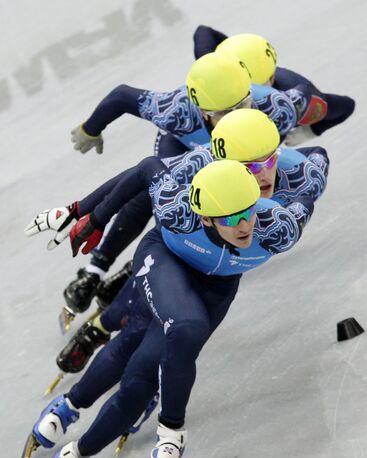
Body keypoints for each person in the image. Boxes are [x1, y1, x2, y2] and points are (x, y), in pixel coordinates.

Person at [25, 156, 317, 458]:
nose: (244, 226)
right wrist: (89, 214)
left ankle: (75, 456)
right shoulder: (177, 209)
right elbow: (147, 166)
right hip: (165, 258)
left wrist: (303, 163)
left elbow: (315, 171)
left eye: (248, 212)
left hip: (214, 288)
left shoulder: (278, 228)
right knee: (163, 327)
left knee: (142, 379)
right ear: (206, 217)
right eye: (230, 218)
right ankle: (167, 428)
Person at [51, 108, 329, 379]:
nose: (263, 174)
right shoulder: (198, 160)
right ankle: (103, 314)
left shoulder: (291, 164)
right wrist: (84, 216)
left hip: (225, 240)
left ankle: (119, 298)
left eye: (269, 162)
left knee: (184, 311)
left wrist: (309, 172)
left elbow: (318, 153)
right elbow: (137, 176)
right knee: (155, 272)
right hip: (194, 216)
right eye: (251, 167)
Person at [61, 50, 310, 323]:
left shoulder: (275, 108)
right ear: (200, 111)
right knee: (155, 196)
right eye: (224, 112)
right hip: (187, 152)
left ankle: (134, 269)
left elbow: (316, 98)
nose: (234, 117)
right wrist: (90, 129)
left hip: (232, 164)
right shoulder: (177, 110)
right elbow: (121, 97)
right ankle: (96, 268)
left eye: (243, 105)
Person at [193, 26, 355, 145]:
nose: (236, 103)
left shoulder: (299, 101)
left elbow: (346, 106)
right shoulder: (214, 68)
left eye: (249, 93)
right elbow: (203, 31)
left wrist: (311, 131)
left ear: (272, 79)